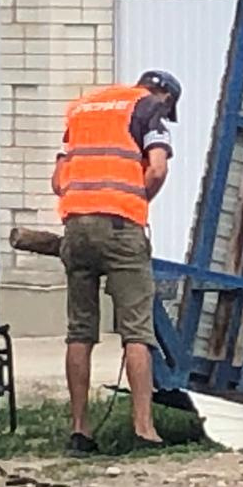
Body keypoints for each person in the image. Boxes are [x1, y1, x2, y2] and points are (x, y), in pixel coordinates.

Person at [51, 69, 181, 455]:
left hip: (75, 227)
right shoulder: (148, 108)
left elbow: (59, 180)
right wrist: (137, 203)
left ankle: (80, 432)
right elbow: (157, 167)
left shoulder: (82, 108)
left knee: (80, 331)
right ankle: (144, 431)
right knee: (137, 331)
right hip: (121, 225)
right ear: (166, 97)